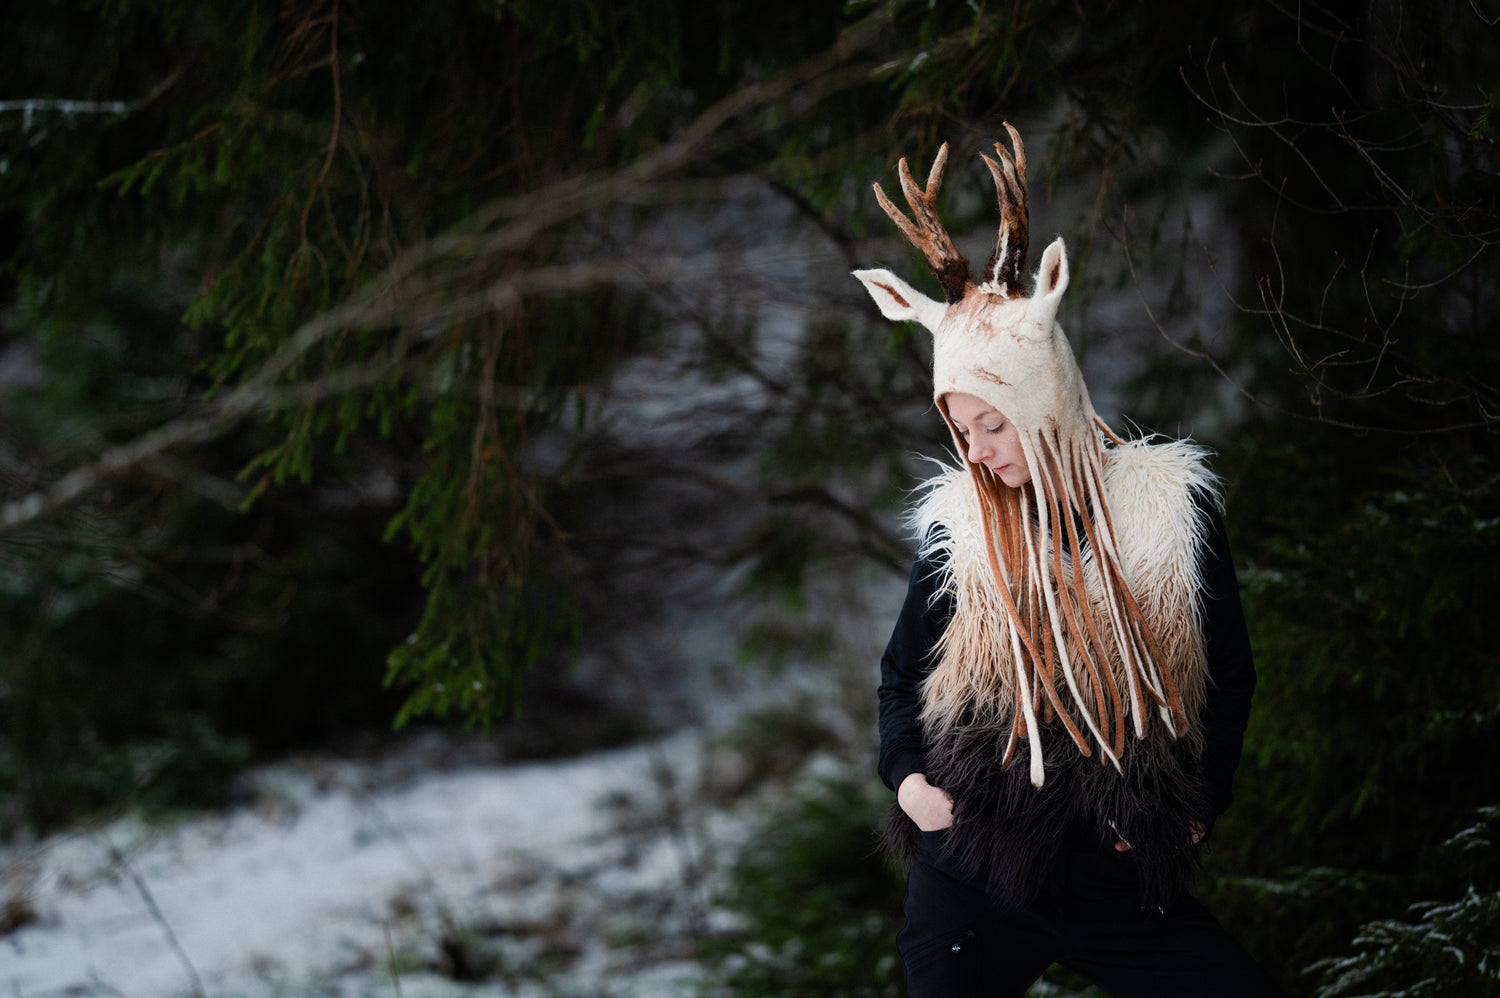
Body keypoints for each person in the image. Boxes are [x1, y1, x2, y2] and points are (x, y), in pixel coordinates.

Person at [853, 126, 1286, 997]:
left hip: (1117, 876)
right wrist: (911, 788)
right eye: (961, 430)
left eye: (993, 424)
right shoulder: (960, 527)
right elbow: (902, 678)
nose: (976, 452)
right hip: (972, 869)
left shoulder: (1170, 511)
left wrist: (1200, 804)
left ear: (1044, 400)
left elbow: (1230, 673)